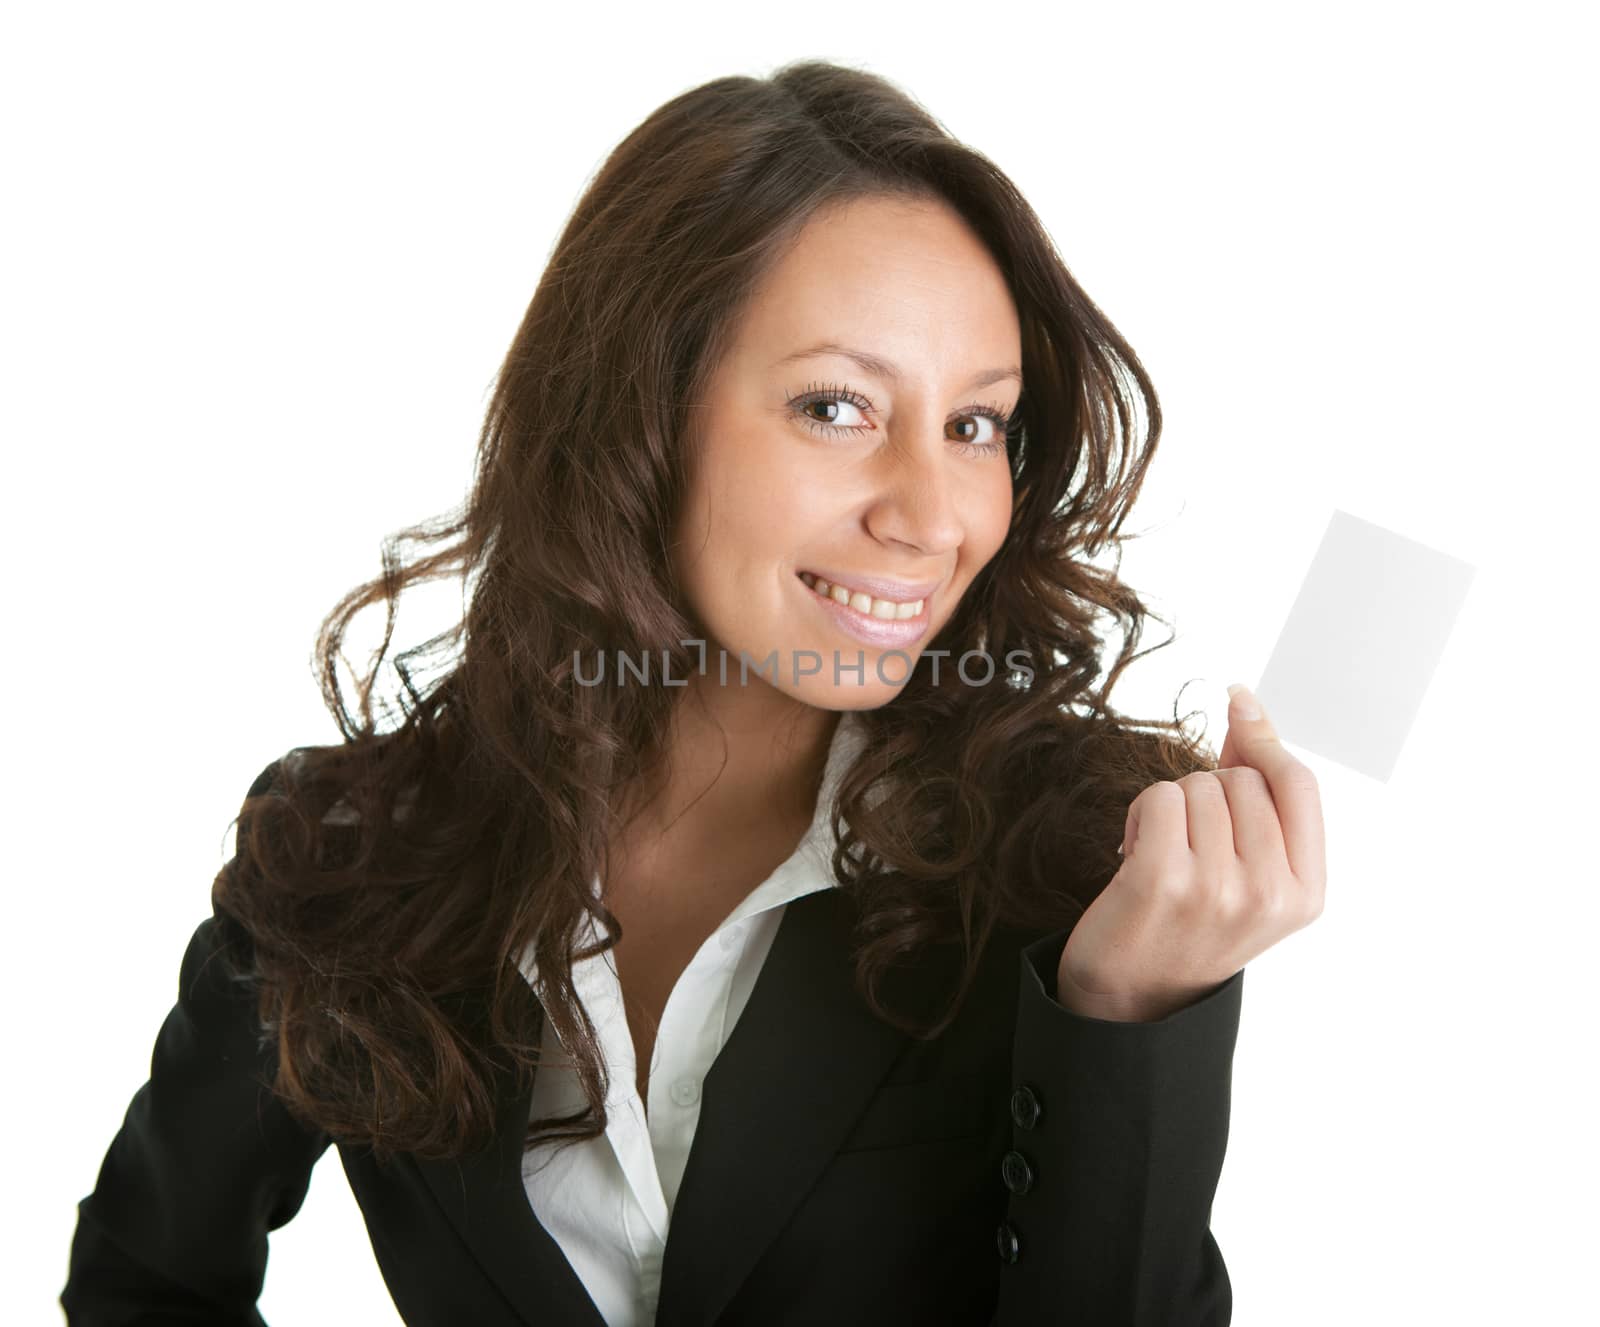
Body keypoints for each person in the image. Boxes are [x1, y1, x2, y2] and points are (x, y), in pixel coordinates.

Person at [62, 58, 1324, 1327]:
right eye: (837, 406)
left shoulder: (1079, 873)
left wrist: (1123, 1021)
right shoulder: (357, 853)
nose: (933, 515)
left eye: (975, 425)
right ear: (639, 414)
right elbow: (143, 1283)